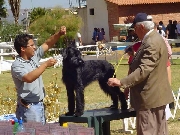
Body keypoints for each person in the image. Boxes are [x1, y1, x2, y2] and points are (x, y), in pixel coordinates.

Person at [107, 13, 173, 135]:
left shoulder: (151, 42)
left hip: (150, 98)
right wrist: (134, 55)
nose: (134, 32)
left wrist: (121, 82)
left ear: (141, 27)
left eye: (135, 28)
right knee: (159, 131)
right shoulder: (153, 39)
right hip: (155, 98)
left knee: (147, 131)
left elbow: (144, 70)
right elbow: (150, 64)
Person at [11, 26, 66, 124]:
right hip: (29, 108)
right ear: (23, 48)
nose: (34, 47)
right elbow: (29, 78)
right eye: (31, 45)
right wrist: (45, 64)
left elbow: (47, 44)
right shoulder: (17, 65)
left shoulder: (33, 57)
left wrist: (59, 34)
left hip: (39, 105)